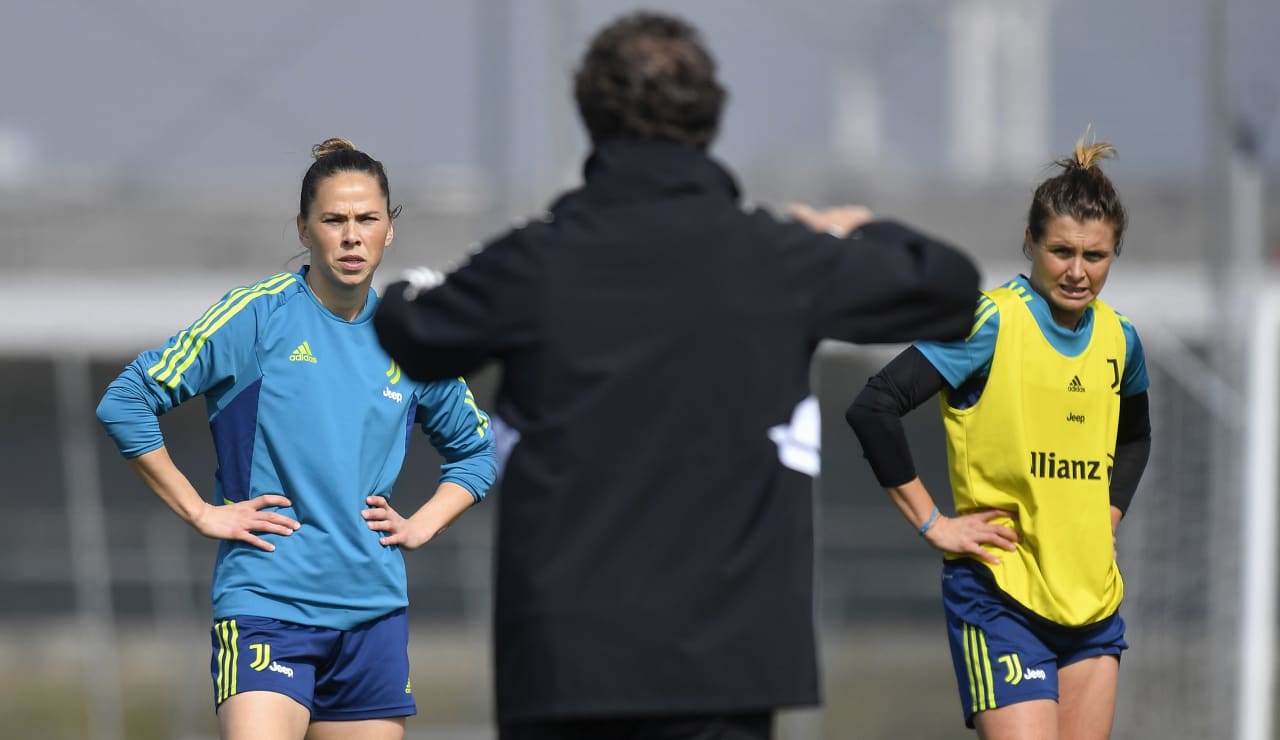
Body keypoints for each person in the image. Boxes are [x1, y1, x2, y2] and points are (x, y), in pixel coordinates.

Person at [373, 11, 981, 740]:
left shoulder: (536, 261)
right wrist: (851, 232)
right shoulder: (777, 258)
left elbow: (414, 329)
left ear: (589, 117)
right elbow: (948, 287)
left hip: (567, 667)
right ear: (711, 117)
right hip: (729, 666)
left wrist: (415, 284)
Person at [95, 138, 497, 740]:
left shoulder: (412, 338)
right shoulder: (257, 316)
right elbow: (126, 400)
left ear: (392, 230)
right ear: (304, 229)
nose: (352, 236)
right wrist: (203, 513)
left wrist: (421, 525)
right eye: (334, 220)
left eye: (368, 219)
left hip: (373, 619)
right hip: (266, 608)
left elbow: (478, 451)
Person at [846, 136, 1152, 739]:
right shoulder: (990, 322)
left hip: (1092, 606)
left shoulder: (1121, 338)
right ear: (1031, 244)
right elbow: (874, 407)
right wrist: (936, 524)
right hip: (1001, 599)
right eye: (1061, 251)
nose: (1077, 271)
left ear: (1114, 252)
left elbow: (1136, 437)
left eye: (1096, 256)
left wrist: (1106, 519)